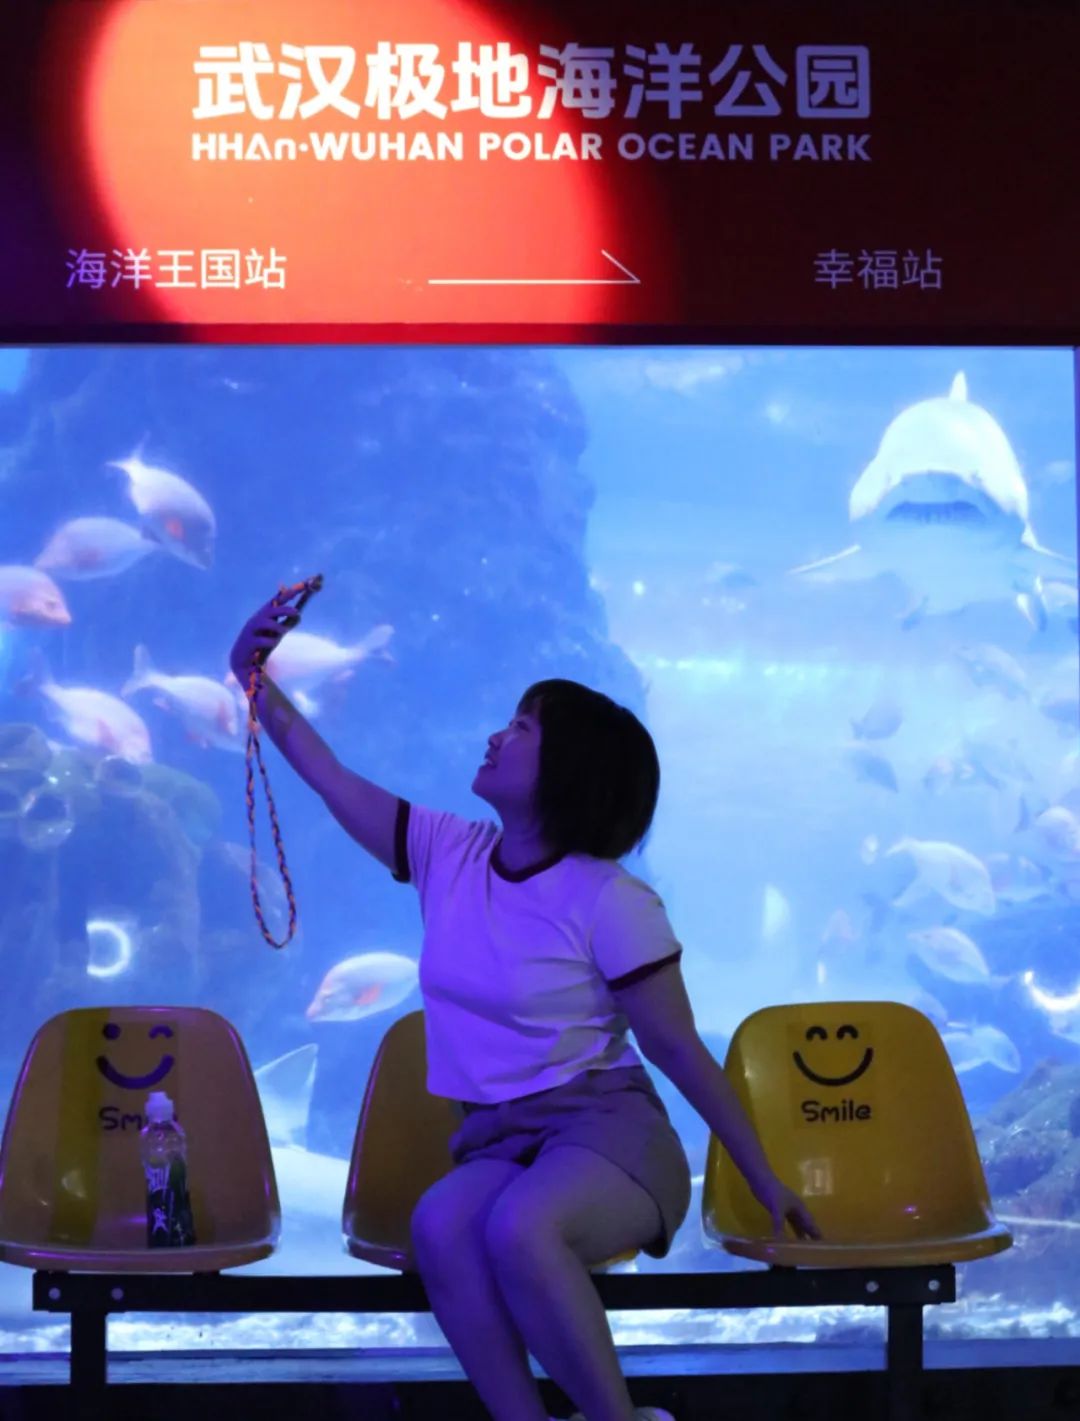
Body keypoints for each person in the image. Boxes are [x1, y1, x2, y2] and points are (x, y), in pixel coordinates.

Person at [231, 591, 821, 1421]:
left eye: (522, 727)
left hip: (608, 1134)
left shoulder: (611, 900)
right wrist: (252, 677)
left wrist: (761, 1174)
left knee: (520, 1228)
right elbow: (329, 776)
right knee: (441, 1223)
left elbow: (678, 1049)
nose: (497, 736)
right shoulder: (446, 850)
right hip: (496, 1137)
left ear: (567, 769)